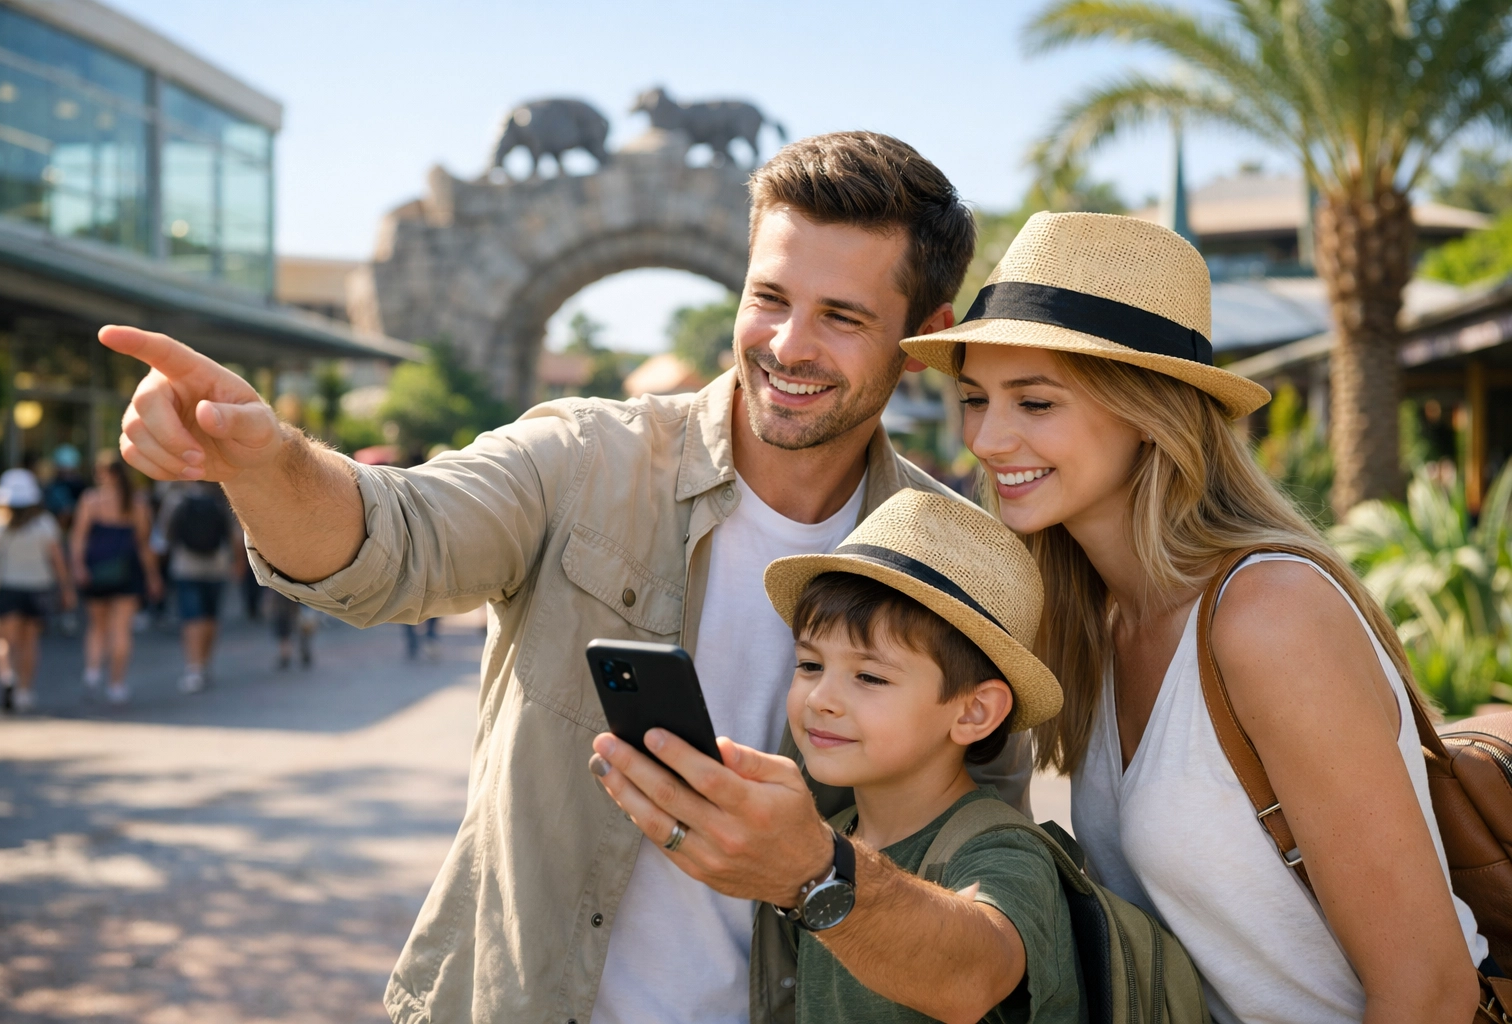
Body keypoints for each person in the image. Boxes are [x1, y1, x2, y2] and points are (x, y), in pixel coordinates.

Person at [98, 131, 1034, 1024]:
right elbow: (391, 540)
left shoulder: (954, 559)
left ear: (924, 336)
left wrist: (811, 870)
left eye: (841, 316)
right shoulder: (583, 458)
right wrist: (260, 461)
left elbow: (984, 886)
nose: (787, 344)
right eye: (769, 297)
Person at [902, 211, 1486, 1021]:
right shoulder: (1092, 627)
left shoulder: (1267, 615)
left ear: (1148, 410)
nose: (989, 439)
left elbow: (1430, 990)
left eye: (1035, 402)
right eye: (974, 398)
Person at [599, 489, 1082, 1023]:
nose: (821, 699)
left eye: (869, 676)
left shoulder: (1005, 850)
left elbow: (975, 974)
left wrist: (813, 869)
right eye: (808, 665)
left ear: (974, 712)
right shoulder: (837, 830)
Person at [0, 469, 74, 712]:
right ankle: (24, 691)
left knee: (3, 639)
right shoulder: (45, 523)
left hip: (6, 587)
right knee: (29, 642)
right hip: (38, 587)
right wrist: (66, 588)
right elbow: (57, 559)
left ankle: (7, 676)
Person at [71, 453, 162, 704]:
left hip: (96, 570)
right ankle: (116, 683)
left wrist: (78, 567)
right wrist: (153, 577)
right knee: (121, 629)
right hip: (127, 572)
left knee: (96, 626)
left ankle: (92, 672)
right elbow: (144, 545)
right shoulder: (137, 503)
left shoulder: (91, 500)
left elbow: (79, 538)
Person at [161, 480, 242, 693]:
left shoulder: (176, 498)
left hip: (185, 565)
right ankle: (204, 664)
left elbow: (164, 534)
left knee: (191, 618)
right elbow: (234, 534)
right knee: (210, 617)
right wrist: (239, 562)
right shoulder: (222, 498)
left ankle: (193, 668)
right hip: (217, 565)